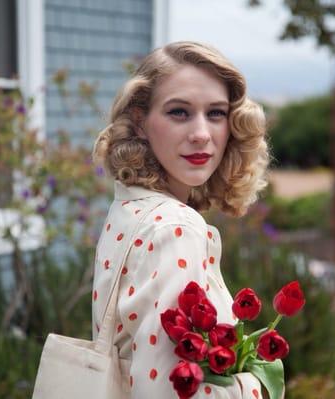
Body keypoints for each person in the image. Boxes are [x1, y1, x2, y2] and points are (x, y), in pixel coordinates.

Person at [91, 41, 271, 398]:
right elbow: (166, 386)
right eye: (179, 112)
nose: (202, 133)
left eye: (216, 114)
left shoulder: (130, 209)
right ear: (140, 123)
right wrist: (252, 384)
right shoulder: (174, 228)